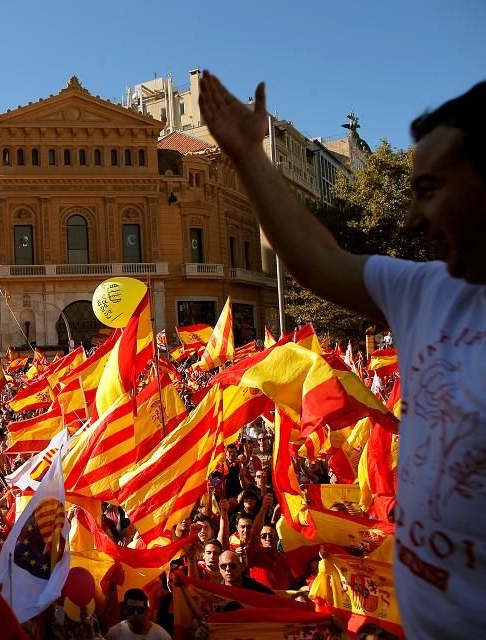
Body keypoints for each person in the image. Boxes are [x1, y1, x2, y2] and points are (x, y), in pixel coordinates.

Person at [200, 71, 486, 638]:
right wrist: (247, 154)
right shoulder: (427, 289)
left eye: (430, 190)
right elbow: (318, 259)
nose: (412, 222)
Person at [106, 588, 171, 640]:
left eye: (140, 610)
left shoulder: (162, 636)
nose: (135, 613)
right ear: (125, 610)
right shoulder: (114, 633)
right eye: (131, 609)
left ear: (147, 610)